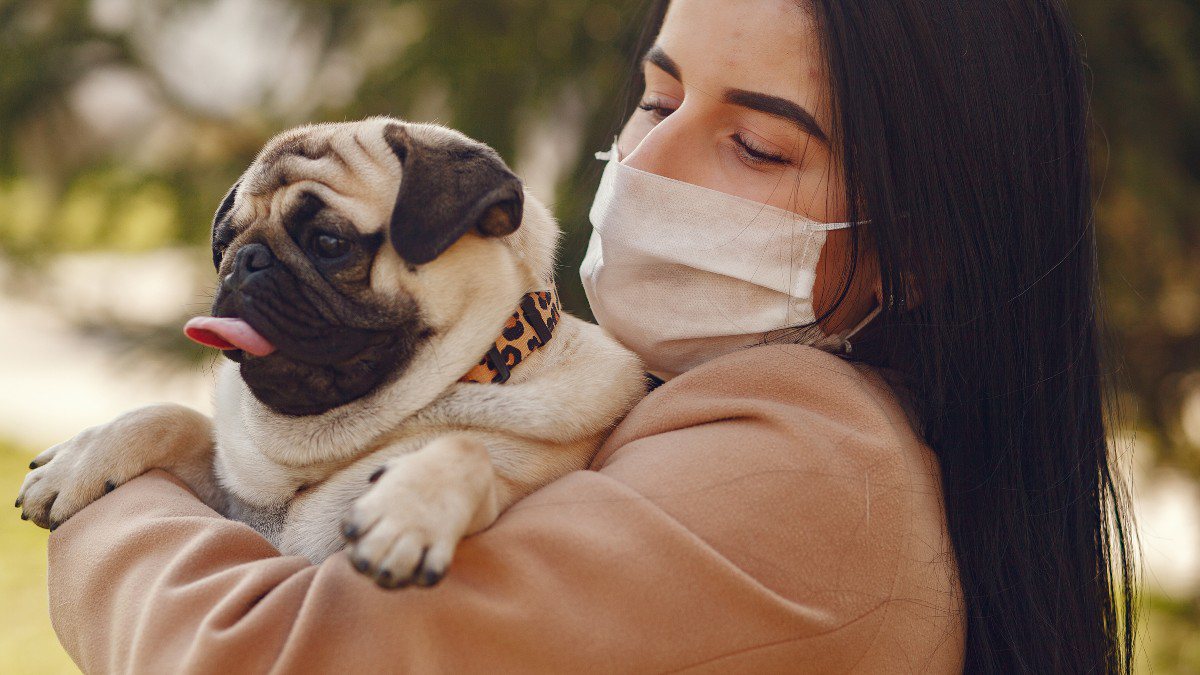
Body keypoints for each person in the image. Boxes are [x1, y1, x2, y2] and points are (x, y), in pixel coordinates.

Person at [44, 0, 1135, 672]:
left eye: (755, 145)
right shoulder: (705, 421)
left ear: (920, 251)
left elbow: (246, 657)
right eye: (657, 103)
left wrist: (110, 502)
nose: (650, 166)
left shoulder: (803, 481)